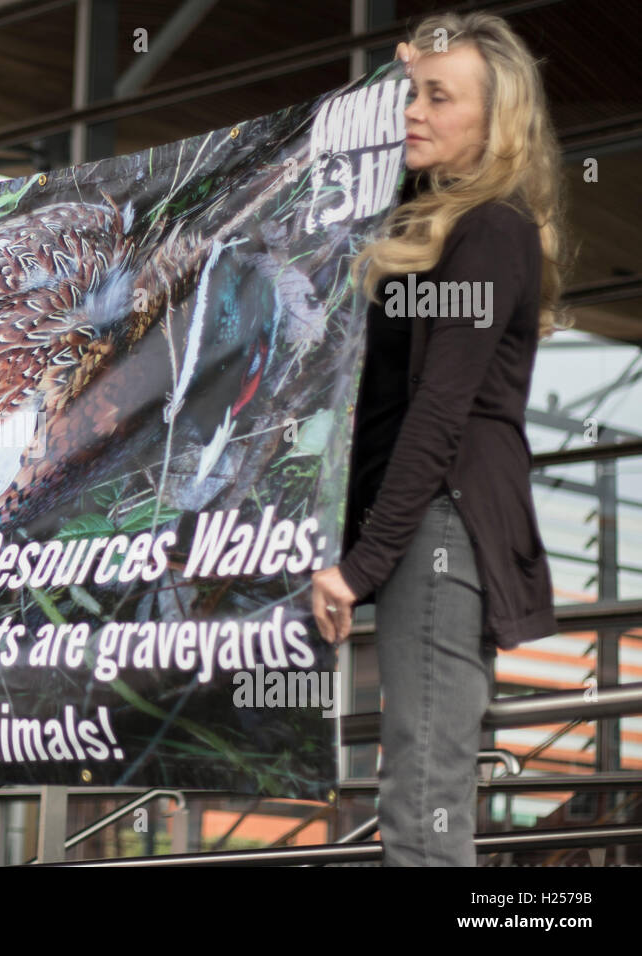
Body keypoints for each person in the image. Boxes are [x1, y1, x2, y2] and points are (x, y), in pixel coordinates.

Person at [310, 11, 568, 866]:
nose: (413, 111)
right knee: (419, 793)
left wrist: (363, 566)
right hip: (416, 526)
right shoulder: (433, 223)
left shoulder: (491, 231)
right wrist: (393, 84)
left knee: (423, 802)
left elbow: (439, 413)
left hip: (441, 529)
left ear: (493, 122)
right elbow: (343, 179)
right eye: (409, 94)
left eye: (436, 97)